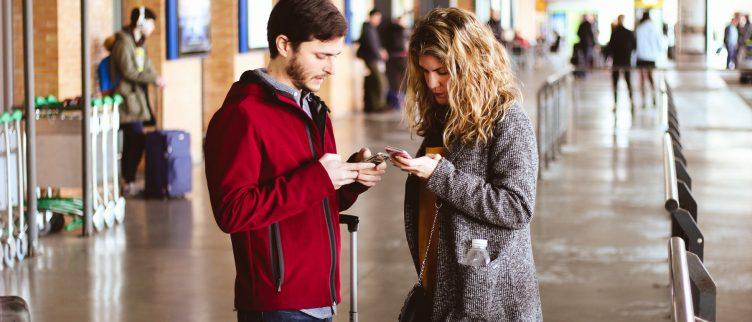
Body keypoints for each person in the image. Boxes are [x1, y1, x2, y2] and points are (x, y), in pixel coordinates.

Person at [204, 1, 387, 321]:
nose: (331, 68)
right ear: (284, 45)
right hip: (277, 303)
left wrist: (350, 180)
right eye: (321, 56)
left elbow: (314, 198)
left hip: (322, 295)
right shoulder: (241, 115)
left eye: (334, 57)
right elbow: (232, 212)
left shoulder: (314, 109)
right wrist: (319, 177)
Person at [392, 7, 541, 321]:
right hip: (443, 284)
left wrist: (441, 175)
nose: (433, 83)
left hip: (489, 299)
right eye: (425, 71)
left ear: (471, 63)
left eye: (443, 70)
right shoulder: (444, 115)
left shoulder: (508, 120)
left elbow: (516, 207)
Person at [110, 7, 166, 195]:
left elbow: (146, 67)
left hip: (137, 99)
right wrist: (152, 79)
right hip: (126, 100)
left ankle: (128, 180)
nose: (153, 28)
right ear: (141, 23)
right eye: (151, 23)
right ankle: (127, 181)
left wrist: (157, 78)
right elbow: (128, 71)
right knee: (134, 139)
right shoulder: (123, 44)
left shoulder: (140, 44)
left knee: (135, 140)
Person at [356, 9, 388, 113]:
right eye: (377, 17)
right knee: (381, 82)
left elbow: (375, 44)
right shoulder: (368, 28)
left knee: (373, 83)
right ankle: (379, 106)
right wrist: (380, 54)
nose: (379, 20)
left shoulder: (371, 28)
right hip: (371, 59)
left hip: (373, 59)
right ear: (372, 16)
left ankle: (373, 106)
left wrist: (380, 50)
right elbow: (372, 45)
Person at [607, 15, 636, 109]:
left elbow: (610, 48)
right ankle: (631, 101)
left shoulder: (614, 33)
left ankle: (615, 103)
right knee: (628, 81)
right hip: (626, 61)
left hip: (616, 61)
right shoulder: (629, 33)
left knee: (615, 82)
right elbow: (634, 46)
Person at [635, 11, 663, 107]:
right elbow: (660, 44)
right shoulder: (655, 28)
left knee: (642, 79)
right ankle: (653, 96)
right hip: (651, 57)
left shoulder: (639, 29)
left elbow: (636, 45)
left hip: (641, 57)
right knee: (651, 77)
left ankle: (643, 100)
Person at [384, 15, 410, 109]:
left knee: (396, 81)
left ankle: (397, 102)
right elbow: (404, 45)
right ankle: (399, 102)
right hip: (400, 58)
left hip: (395, 58)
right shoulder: (401, 31)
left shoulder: (390, 31)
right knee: (401, 81)